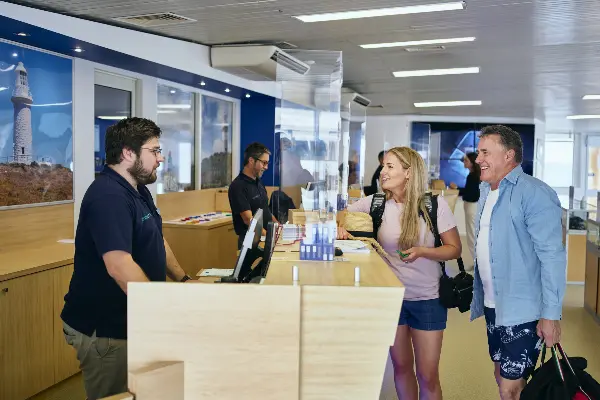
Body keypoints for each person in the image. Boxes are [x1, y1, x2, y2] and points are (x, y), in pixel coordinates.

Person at [61, 117, 191, 400]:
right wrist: (157, 308)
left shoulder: (138, 188)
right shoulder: (108, 195)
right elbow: (119, 265)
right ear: (128, 153)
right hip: (105, 329)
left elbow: (157, 240)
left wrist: (183, 279)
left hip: (130, 319)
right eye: (154, 151)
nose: (160, 159)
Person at [338, 147, 462, 400]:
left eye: (389, 167)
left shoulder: (434, 206)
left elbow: (454, 249)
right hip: (392, 299)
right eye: (383, 166)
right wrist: (341, 226)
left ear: (408, 172)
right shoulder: (375, 203)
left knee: (428, 375)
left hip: (428, 298)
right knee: (402, 368)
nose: (382, 172)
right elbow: (342, 212)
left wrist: (423, 252)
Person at [471, 125, 566, 400]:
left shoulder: (534, 193)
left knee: (510, 387)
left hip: (523, 310)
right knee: (502, 374)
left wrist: (551, 315)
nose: (478, 159)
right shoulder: (486, 192)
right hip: (493, 305)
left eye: (485, 152)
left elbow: (552, 257)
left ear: (509, 155)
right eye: (479, 152)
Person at [229, 142, 278, 249]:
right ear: (251, 161)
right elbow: (248, 219)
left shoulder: (258, 182)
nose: (266, 167)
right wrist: (271, 237)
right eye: (264, 163)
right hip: (251, 242)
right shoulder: (238, 186)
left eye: (267, 163)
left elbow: (266, 210)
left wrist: (279, 227)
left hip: (266, 238)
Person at [449, 152, 481, 266]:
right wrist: (459, 189)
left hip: (472, 207)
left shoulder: (473, 176)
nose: (464, 162)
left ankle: (478, 265)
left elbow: (472, 194)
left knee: (472, 236)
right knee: (473, 235)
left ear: (472, 163)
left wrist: (460, 191)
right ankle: (477, 263)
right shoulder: (474, 176)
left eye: (466, 161)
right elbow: (470, 191)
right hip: (472, 207)